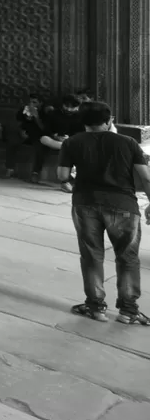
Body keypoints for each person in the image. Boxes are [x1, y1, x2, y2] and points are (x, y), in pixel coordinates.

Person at [57, 102, 150, 325]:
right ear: (109, 120)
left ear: (84, 122)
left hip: (85, 203)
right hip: (123, 205)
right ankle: (128, 311)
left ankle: (95, 307)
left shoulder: (72, 142)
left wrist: (69, 182)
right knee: (127, 258)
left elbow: (62, 174)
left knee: (91, 255)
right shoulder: (128, 142)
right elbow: (146, 177)